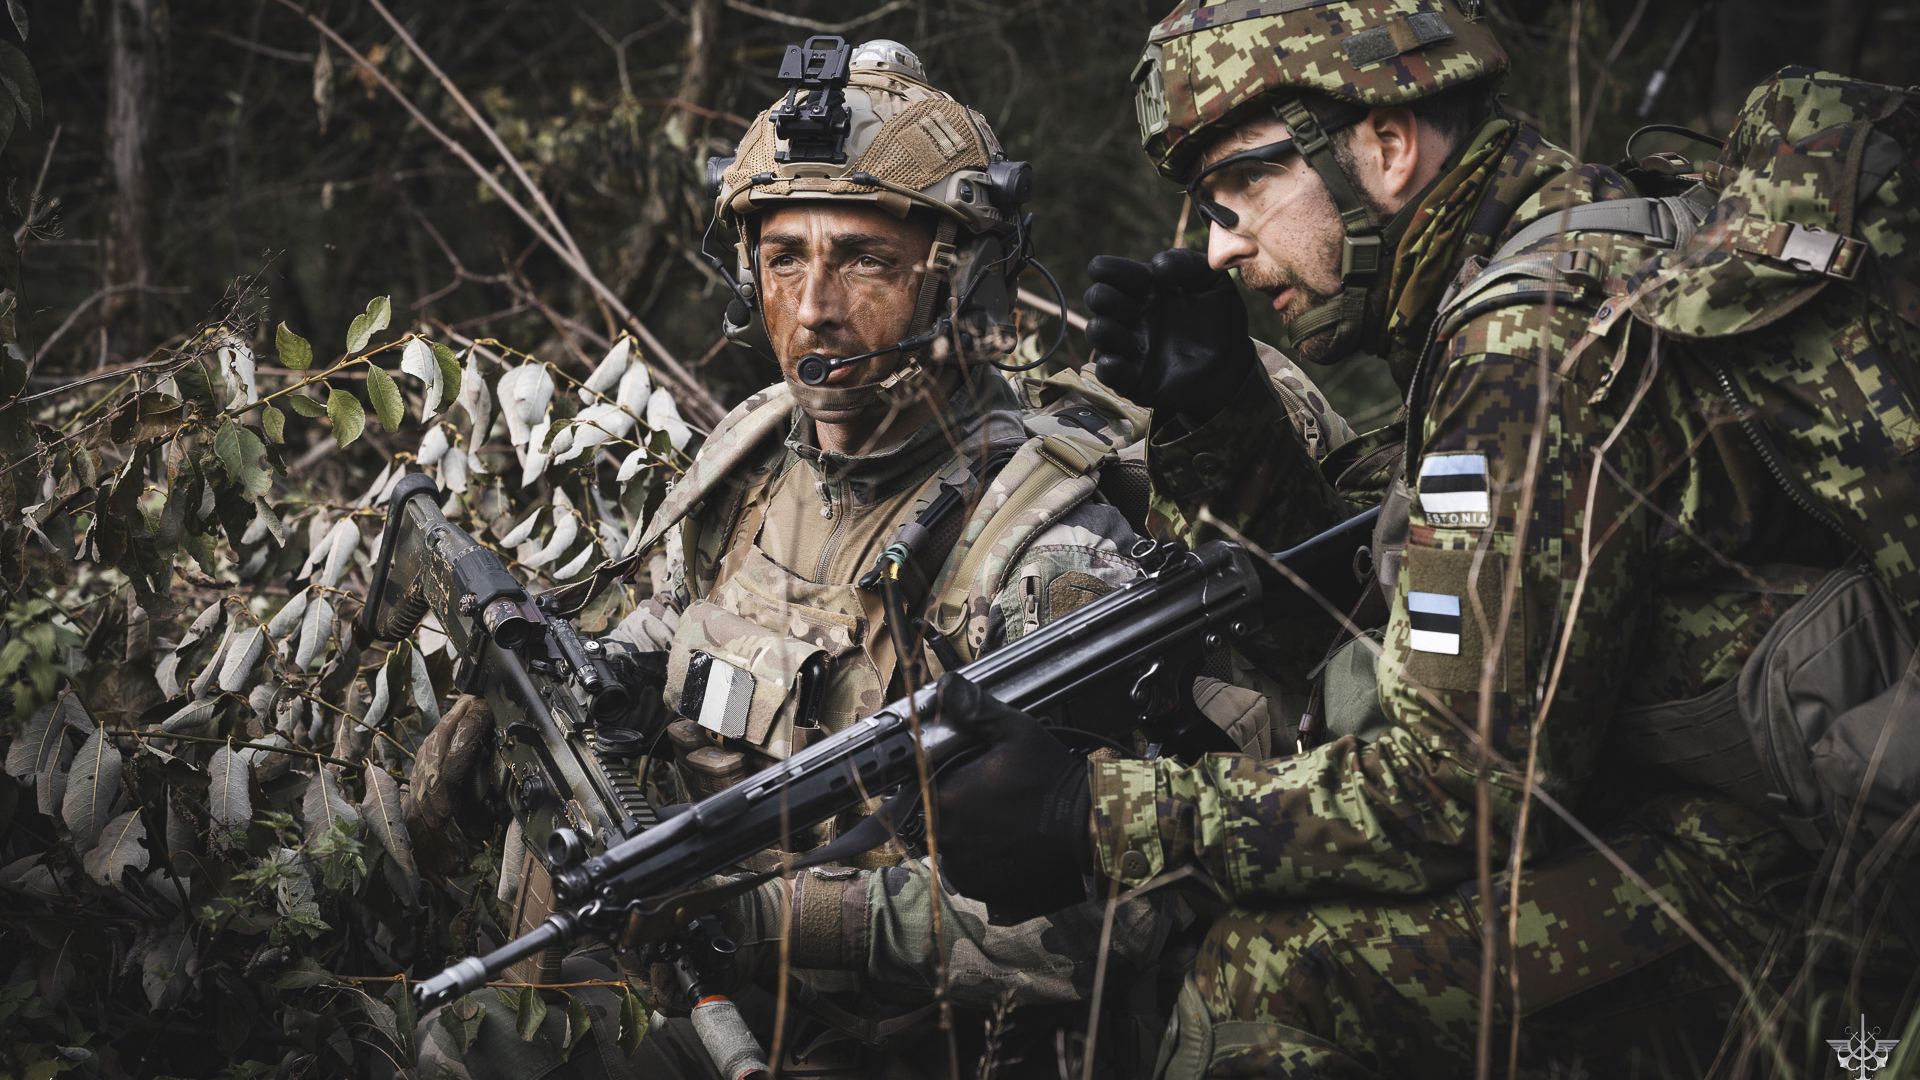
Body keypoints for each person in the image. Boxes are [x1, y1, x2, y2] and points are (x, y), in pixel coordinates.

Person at [923, 2, 1920, 1077]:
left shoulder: (1522, 347)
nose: (1220, 250)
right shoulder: (1585, 235)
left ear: (1386, 147)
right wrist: (1225, 413)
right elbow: (1417, 628)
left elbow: (1455, 794)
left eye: (1240, 191)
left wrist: (1095, 816)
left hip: (1810, 893)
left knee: (1261, 981)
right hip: (1744, 818)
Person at [413, 36, 1354, 1080]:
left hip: (902, 1044)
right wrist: (554, 696)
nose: (814, 306)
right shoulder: (756, 453)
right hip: (709, 993)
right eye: (783, 258)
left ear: (966, 280)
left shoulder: (1044, 544)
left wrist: (786, 920)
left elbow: (1111, 920)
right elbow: (675, 623)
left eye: (864, 258)